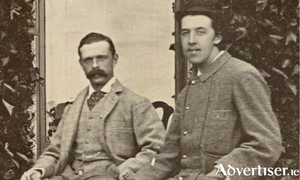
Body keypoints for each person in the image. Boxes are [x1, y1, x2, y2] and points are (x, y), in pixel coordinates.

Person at [125, 0, 282, 180]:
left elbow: (266, 144)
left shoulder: (242, 76)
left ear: (217, 37)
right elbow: (168, 158)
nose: (191, 41)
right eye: (185, 33)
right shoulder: (188, 92)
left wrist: (220, 174)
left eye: (200, 32)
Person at [21, 32, 166, 180]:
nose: (95, 65)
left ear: (114, 60)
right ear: (81, 64)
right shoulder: (72, 108)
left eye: (101, 58)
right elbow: (55, 152)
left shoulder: (136, 103)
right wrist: (38, 171)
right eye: (88, 60)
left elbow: (157, 149)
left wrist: (127, 170)